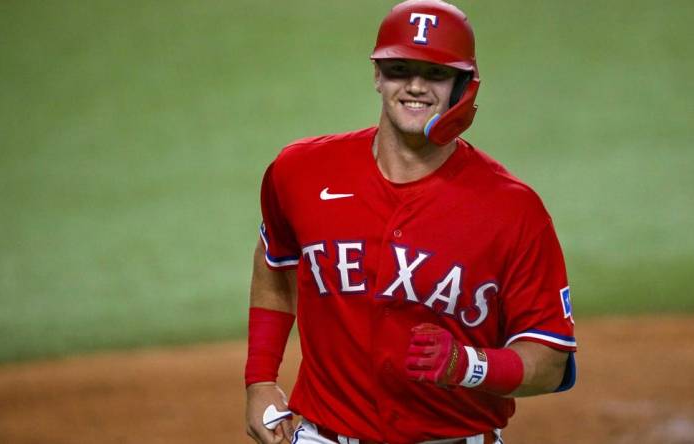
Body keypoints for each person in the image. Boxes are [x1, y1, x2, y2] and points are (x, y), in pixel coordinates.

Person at [244, 1, 577, 443]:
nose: (416, 87)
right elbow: (275, 259)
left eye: (436, 73)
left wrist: (471, 365)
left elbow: (551, 362)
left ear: (463, 86)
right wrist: (260, 378)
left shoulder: (513, 211)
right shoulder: (301, 172)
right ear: (377, 75)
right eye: (400, 69)